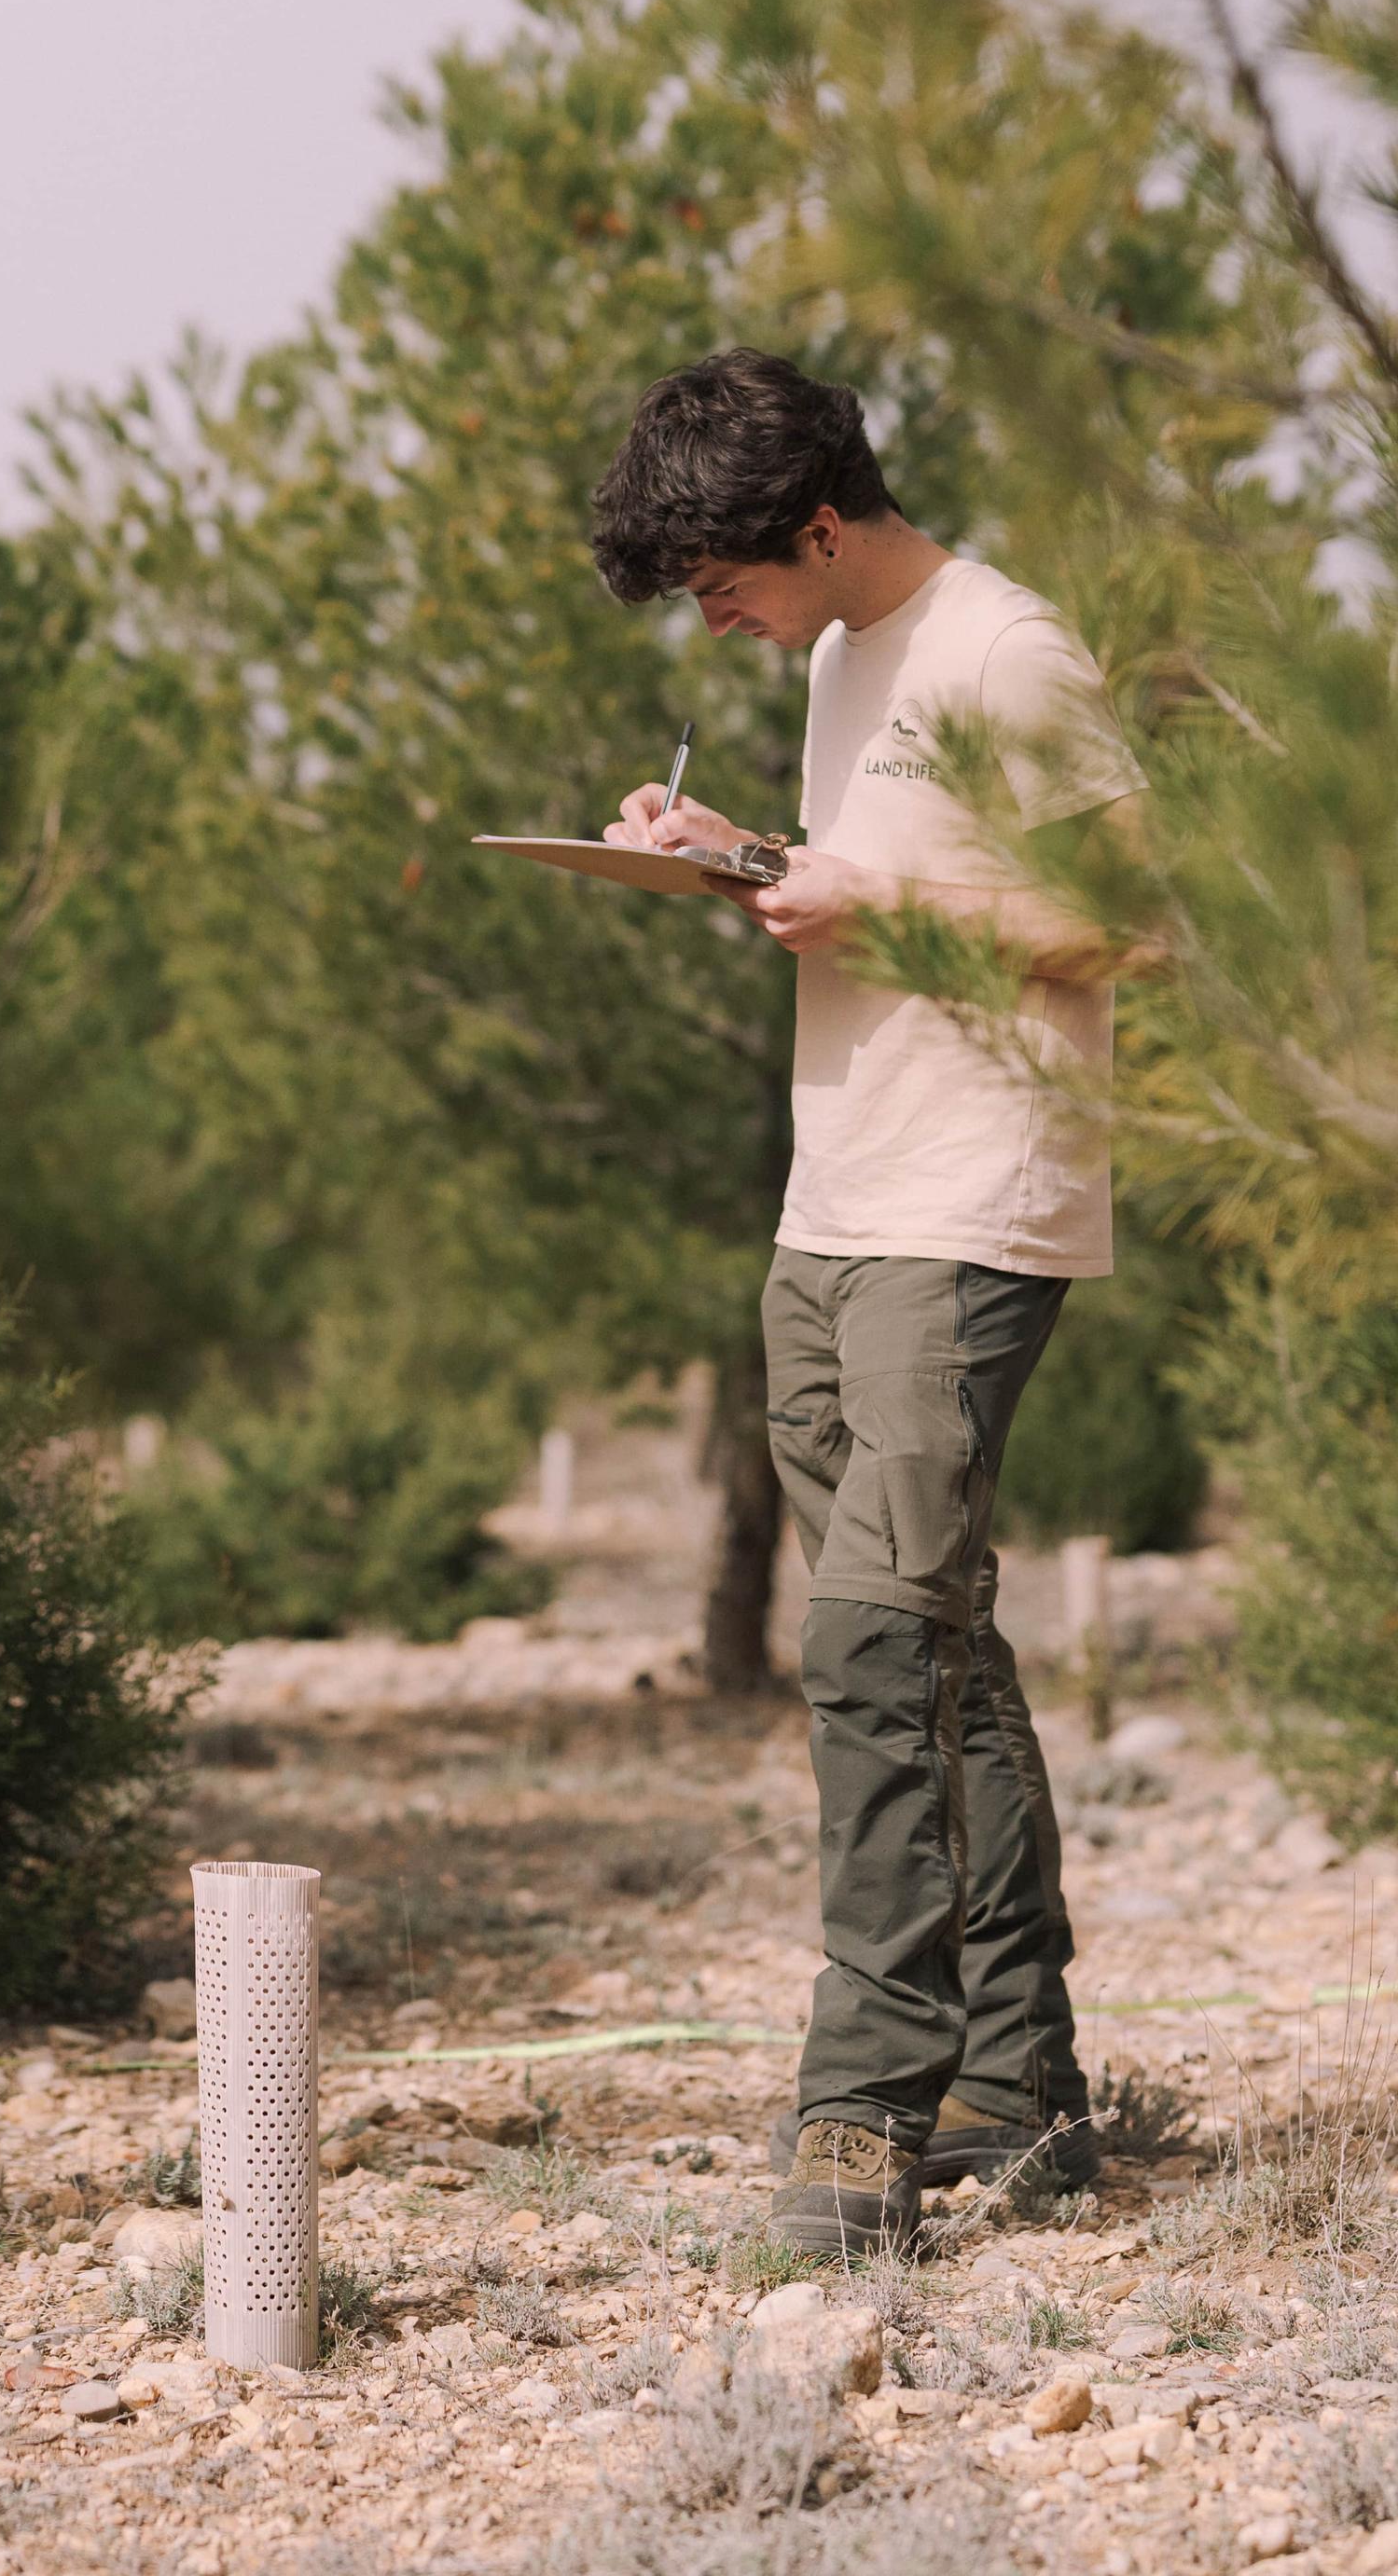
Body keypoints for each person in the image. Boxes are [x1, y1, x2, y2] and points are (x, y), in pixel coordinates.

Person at [589, 348, 1148, 2259]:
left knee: (866, 1644)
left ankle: (862, 2117)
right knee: (934, 1644)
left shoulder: (1011, 654)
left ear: (820, 523)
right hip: (834, 1201)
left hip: (972, 1205)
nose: (715, 617)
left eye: (724, 580)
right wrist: (734, 858)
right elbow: (873, 885)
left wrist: (884, 916)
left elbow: (1133, 917)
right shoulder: (838, 660)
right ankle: (1019, 2074)